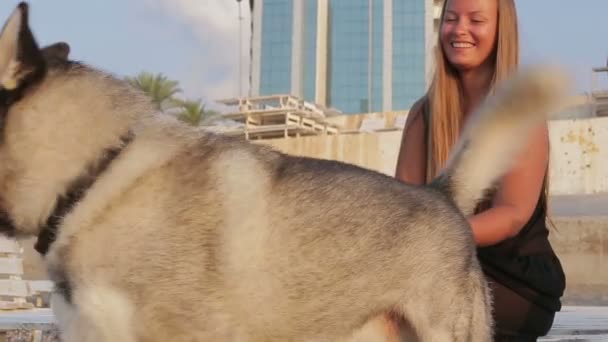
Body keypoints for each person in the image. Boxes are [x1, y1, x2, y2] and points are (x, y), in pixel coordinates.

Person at [391, 0, 566, 341]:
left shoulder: (519, 111)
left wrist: (436, 237)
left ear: (501, 29)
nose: (459, 30)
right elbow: (403, 207)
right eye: (451, 19)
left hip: (510, 276)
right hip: (438, 263)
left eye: (476, 20)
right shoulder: (422, 115)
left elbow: (512, 213)